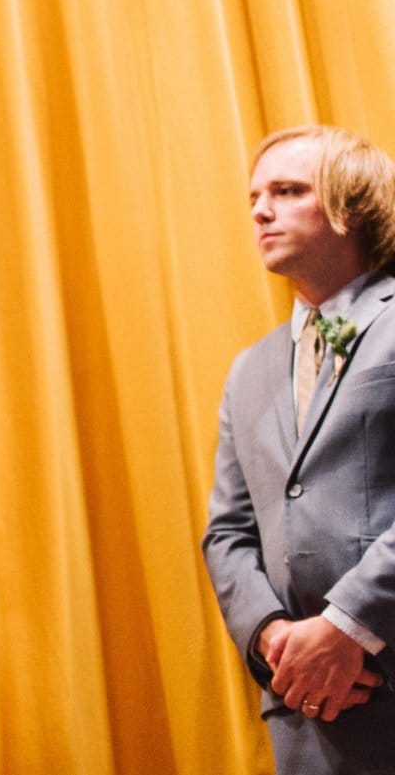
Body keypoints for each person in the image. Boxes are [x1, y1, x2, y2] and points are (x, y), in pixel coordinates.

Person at [203, 125, 395, 772]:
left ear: (353, 207)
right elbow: (226, 531)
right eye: (256, 195)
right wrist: (273, 640)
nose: (261, 209)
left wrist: (348, 624)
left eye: (287, 190)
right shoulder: (247, 371)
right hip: (304, 713)